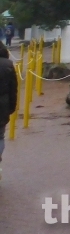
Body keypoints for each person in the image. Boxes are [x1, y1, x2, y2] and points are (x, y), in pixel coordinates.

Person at [0, 43, 18, 181]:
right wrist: (12, 106)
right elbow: (13, 88)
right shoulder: (8, 65)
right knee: (0, 136)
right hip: (2, 106)